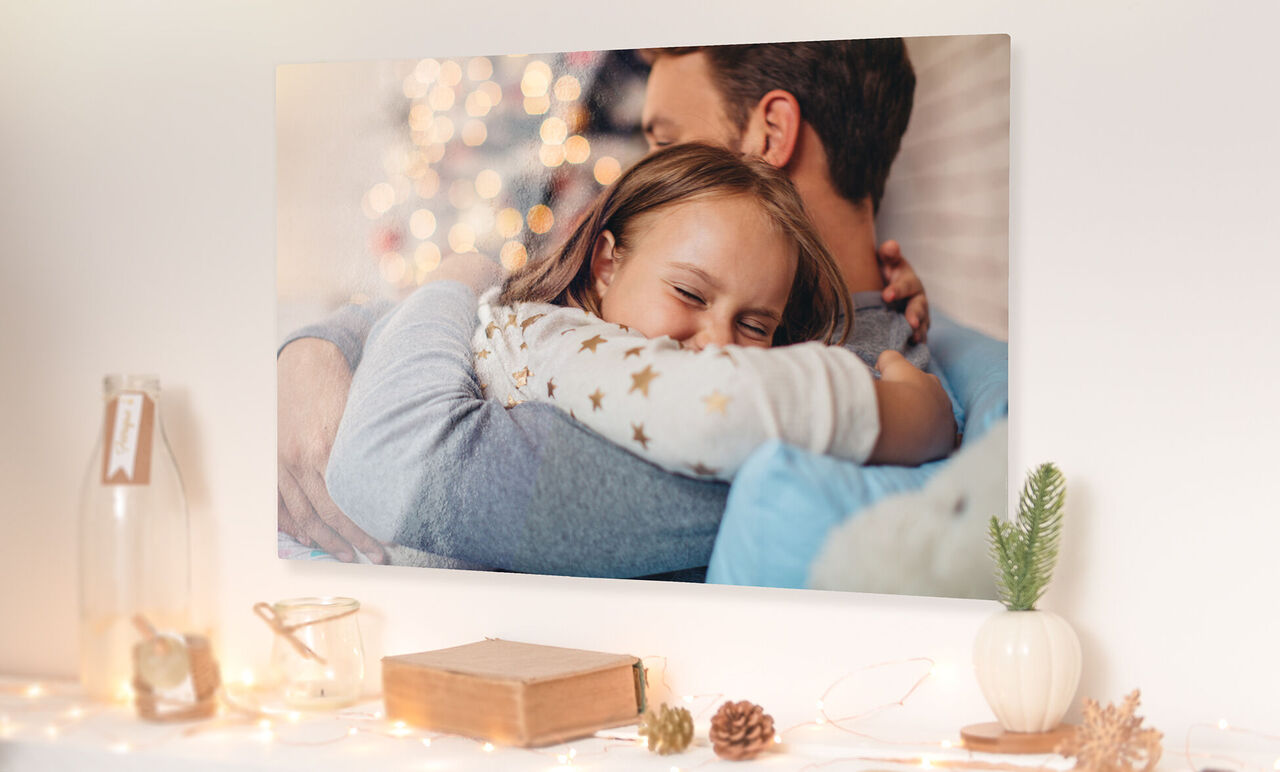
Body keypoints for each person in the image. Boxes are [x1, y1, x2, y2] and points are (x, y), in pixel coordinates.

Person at [278, 39, 934, 576]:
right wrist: (318, 344)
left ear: (771, 133)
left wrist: (463, 271)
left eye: (667, 140)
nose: (646, 173)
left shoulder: (796, 393)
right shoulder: (822, 341)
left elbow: (398, 463)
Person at [476, 143, 952, 485]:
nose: (720, 342)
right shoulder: (547, 339)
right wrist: (914, 417)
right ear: (606, 264)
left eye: (754, 325)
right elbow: (718, 409)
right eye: (689, 293)